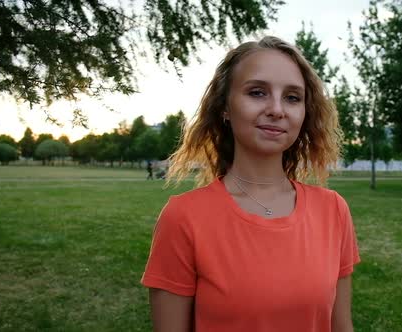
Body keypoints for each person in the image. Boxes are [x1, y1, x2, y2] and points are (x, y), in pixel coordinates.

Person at [141, 36, 361, 332]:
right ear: (225, 108)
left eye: (292, 97)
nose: (277, 109)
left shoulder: (333, 210)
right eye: (257, 92)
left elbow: (341, 326)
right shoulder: (183, 218)